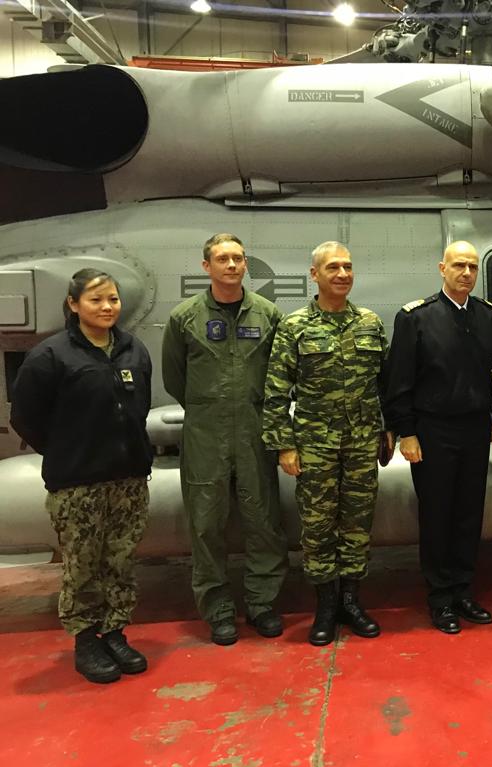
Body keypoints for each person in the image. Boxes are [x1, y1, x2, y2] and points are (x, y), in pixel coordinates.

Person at [11, 269, 152, 684]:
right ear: (73, 304)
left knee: (120, 561)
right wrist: (66, 451)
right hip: (77, 484)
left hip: (128, 478)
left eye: (113, 299)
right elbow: (26, 418)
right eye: (96, 300)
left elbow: (140, 405)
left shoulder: (132, 349)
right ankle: (86, 639)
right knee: (82, 565)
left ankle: (115, 632)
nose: (107, 307)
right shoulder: (51, 355)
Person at [163, 233, 289, 646]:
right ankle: (218, 611)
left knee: (264, 521)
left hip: (255, 432)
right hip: (205, 436)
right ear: (207, 266)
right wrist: (209, 409)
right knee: (205, 526)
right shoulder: (185, 318)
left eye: (238, 258)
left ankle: (262, 604)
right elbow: (175, 378)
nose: (232, 265)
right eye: (222, 259)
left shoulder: (268, 315)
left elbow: (280, 374)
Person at [263, 242, 390, 645]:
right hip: (314, 444)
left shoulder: (369, 323)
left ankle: (351, 601)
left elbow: (386, 383)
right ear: (314, 274)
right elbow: (276, 390)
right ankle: (326, 606)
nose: (342, 274)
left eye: (348, 267)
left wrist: (389, 429)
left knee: (357, 523)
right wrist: (284, 445)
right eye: (333, 267)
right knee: (317, 526)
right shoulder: (295, 325)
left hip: (362, 442)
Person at [384, 241, 492, 634]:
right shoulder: (416, 318)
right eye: (458, 265)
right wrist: (406, 431)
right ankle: (440, 597)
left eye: (472, 266)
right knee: (437, 514)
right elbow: (399, 380)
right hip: (432, 430)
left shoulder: (489, 317)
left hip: (475, 428)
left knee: (470, 513)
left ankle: (463, 590)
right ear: (442, 268)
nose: (466, 273)